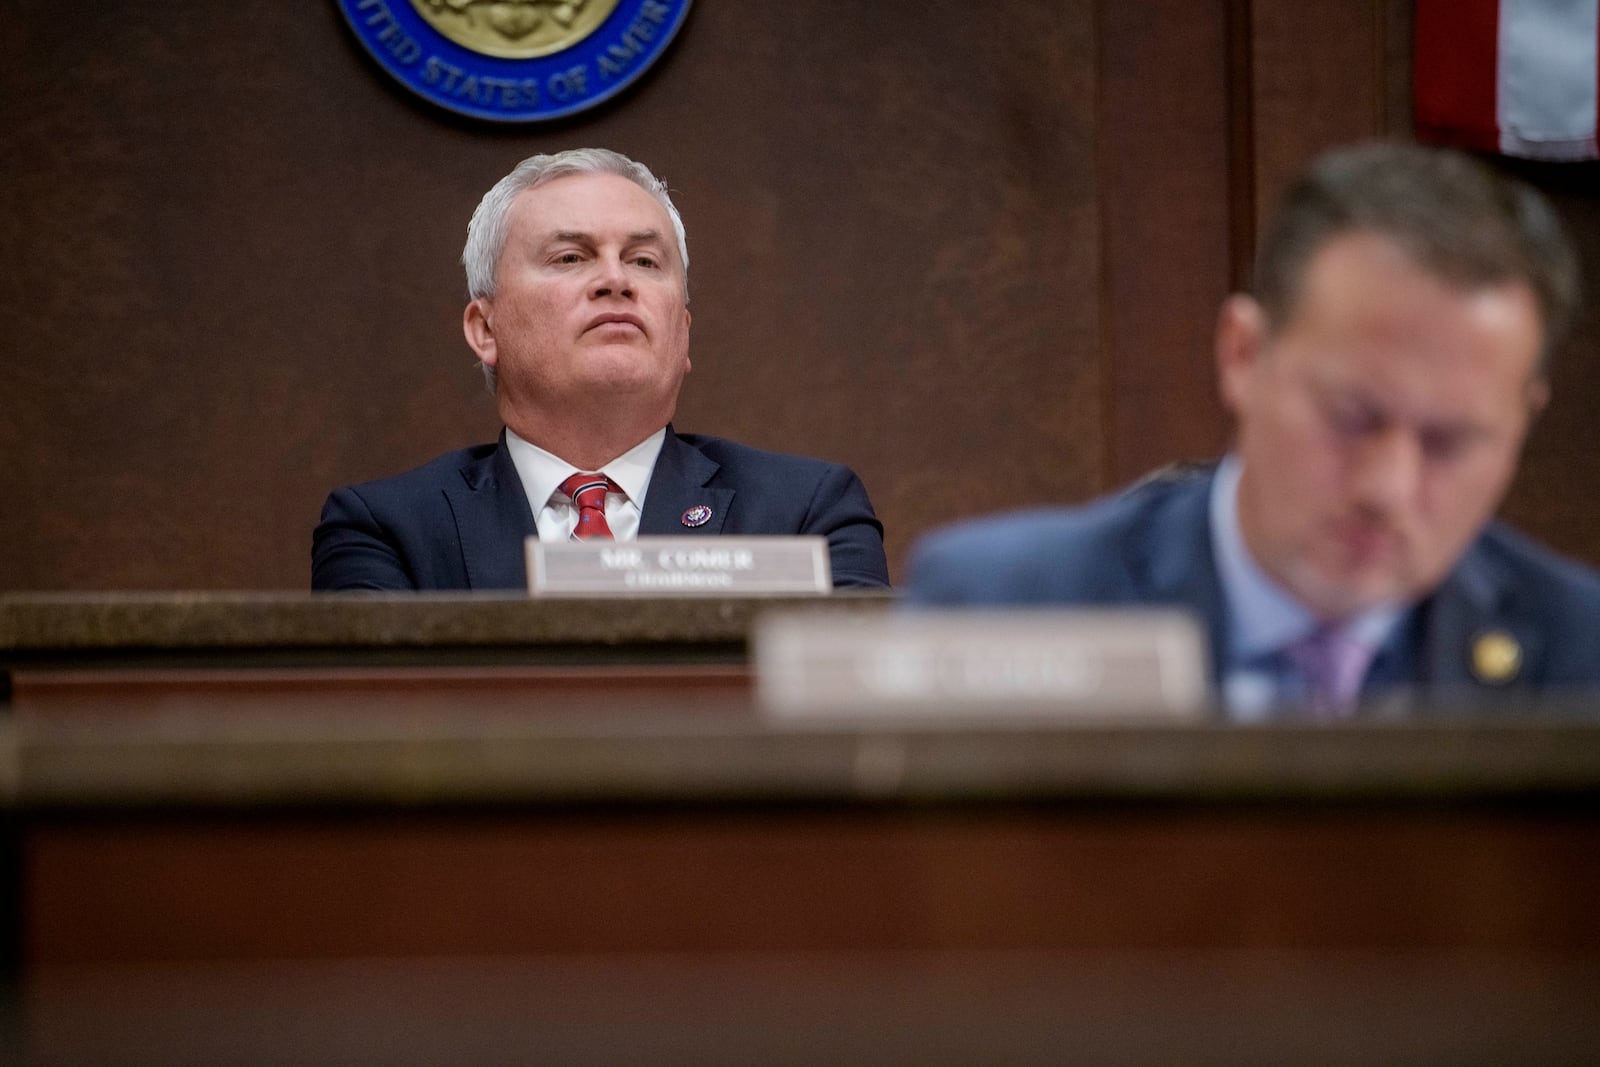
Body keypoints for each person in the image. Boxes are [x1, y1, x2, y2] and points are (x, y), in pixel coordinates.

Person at [904, 141, 1600, 716]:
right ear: (1241, 355)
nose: (1386, 487)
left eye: (1450, 441)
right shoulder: (1006, 607)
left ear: (1522, 419)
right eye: (1350, 417)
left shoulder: (1581, 657)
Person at [314, 148, 888, 590]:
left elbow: (856, 728)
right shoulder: (385, 529)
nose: (617, 280)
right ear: (486, 330)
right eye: (570, 258)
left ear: (683, 332)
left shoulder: (807, 510)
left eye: (644, 260)